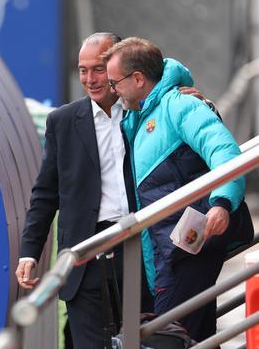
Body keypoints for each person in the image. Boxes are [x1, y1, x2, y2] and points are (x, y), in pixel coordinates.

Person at [102, 37, 253, 342]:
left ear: (138, 79)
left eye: (114, 82)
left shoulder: (178, 105)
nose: (112, 90)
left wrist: (222, 202)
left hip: (187, 246)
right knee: (195, 336)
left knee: (173, 336)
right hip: (168, 249)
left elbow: (224, 150)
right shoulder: (135, 117)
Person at [16, 32, 149, 349]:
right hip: (84, 255)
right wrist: (29, 252)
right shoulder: (62, 121)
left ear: (118, 65)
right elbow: (46, 193)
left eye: (99, 68)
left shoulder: (145, 112)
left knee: (145, 339)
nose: (90, 79)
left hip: (139, 247)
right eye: (83, 70)